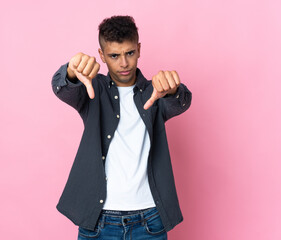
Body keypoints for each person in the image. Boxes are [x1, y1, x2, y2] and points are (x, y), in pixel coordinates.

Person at [51, 15, 192, 240]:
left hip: (150, 220)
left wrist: (174, 89)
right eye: (114, 55)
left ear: (138, 49)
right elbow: (62, 88)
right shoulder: (93, 89)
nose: (124, 63)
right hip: (98, 220)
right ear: (102, 55)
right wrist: (70, 71)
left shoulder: (154, 91)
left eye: (129, 53)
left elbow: (180, 102)